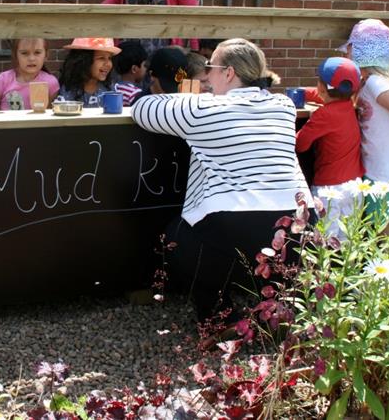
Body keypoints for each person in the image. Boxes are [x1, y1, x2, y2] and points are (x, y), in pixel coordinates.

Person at [131, 38, 312, 320]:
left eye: (210, 67)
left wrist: (193, 97)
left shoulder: (201, 110)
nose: (206, 75)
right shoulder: (284, 106)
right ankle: (280, 317)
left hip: (232, 226)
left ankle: (218, 317)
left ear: (228, 73)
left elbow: (142, 109)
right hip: (298, 222)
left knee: (177, 238)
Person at [341, 19, 389, 193]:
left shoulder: (376, 83)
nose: (345, 55)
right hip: (378, 170)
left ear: (361, 53)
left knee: (386, 221)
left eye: (349, 49)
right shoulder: (367, 82)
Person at [295, 57, 364, 238]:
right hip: (354, 187)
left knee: (323, 242)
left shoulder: (323, 115)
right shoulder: (349, 105)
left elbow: (300, 145)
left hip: (328, 189)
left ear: (322, 87)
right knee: (348, 242)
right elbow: (326, 95)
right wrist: (304, 92)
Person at [0, 38, 59, 111]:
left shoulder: (51, 83)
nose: (31, 58)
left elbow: (50, 116)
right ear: (15, 55)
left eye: (37, 52)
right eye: (24, 53)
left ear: (46, 55)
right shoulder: (2, 80)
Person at [57, 37, 121, 108]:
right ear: (83, 61)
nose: (108, 64)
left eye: (109, 58)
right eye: (101, 58)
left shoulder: (110, 89)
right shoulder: (68, 90)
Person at [113, 40, 146, 106]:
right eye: (144, 66)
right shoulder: (136, 94)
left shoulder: (113, 88)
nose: (146, 69)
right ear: (134, 69)